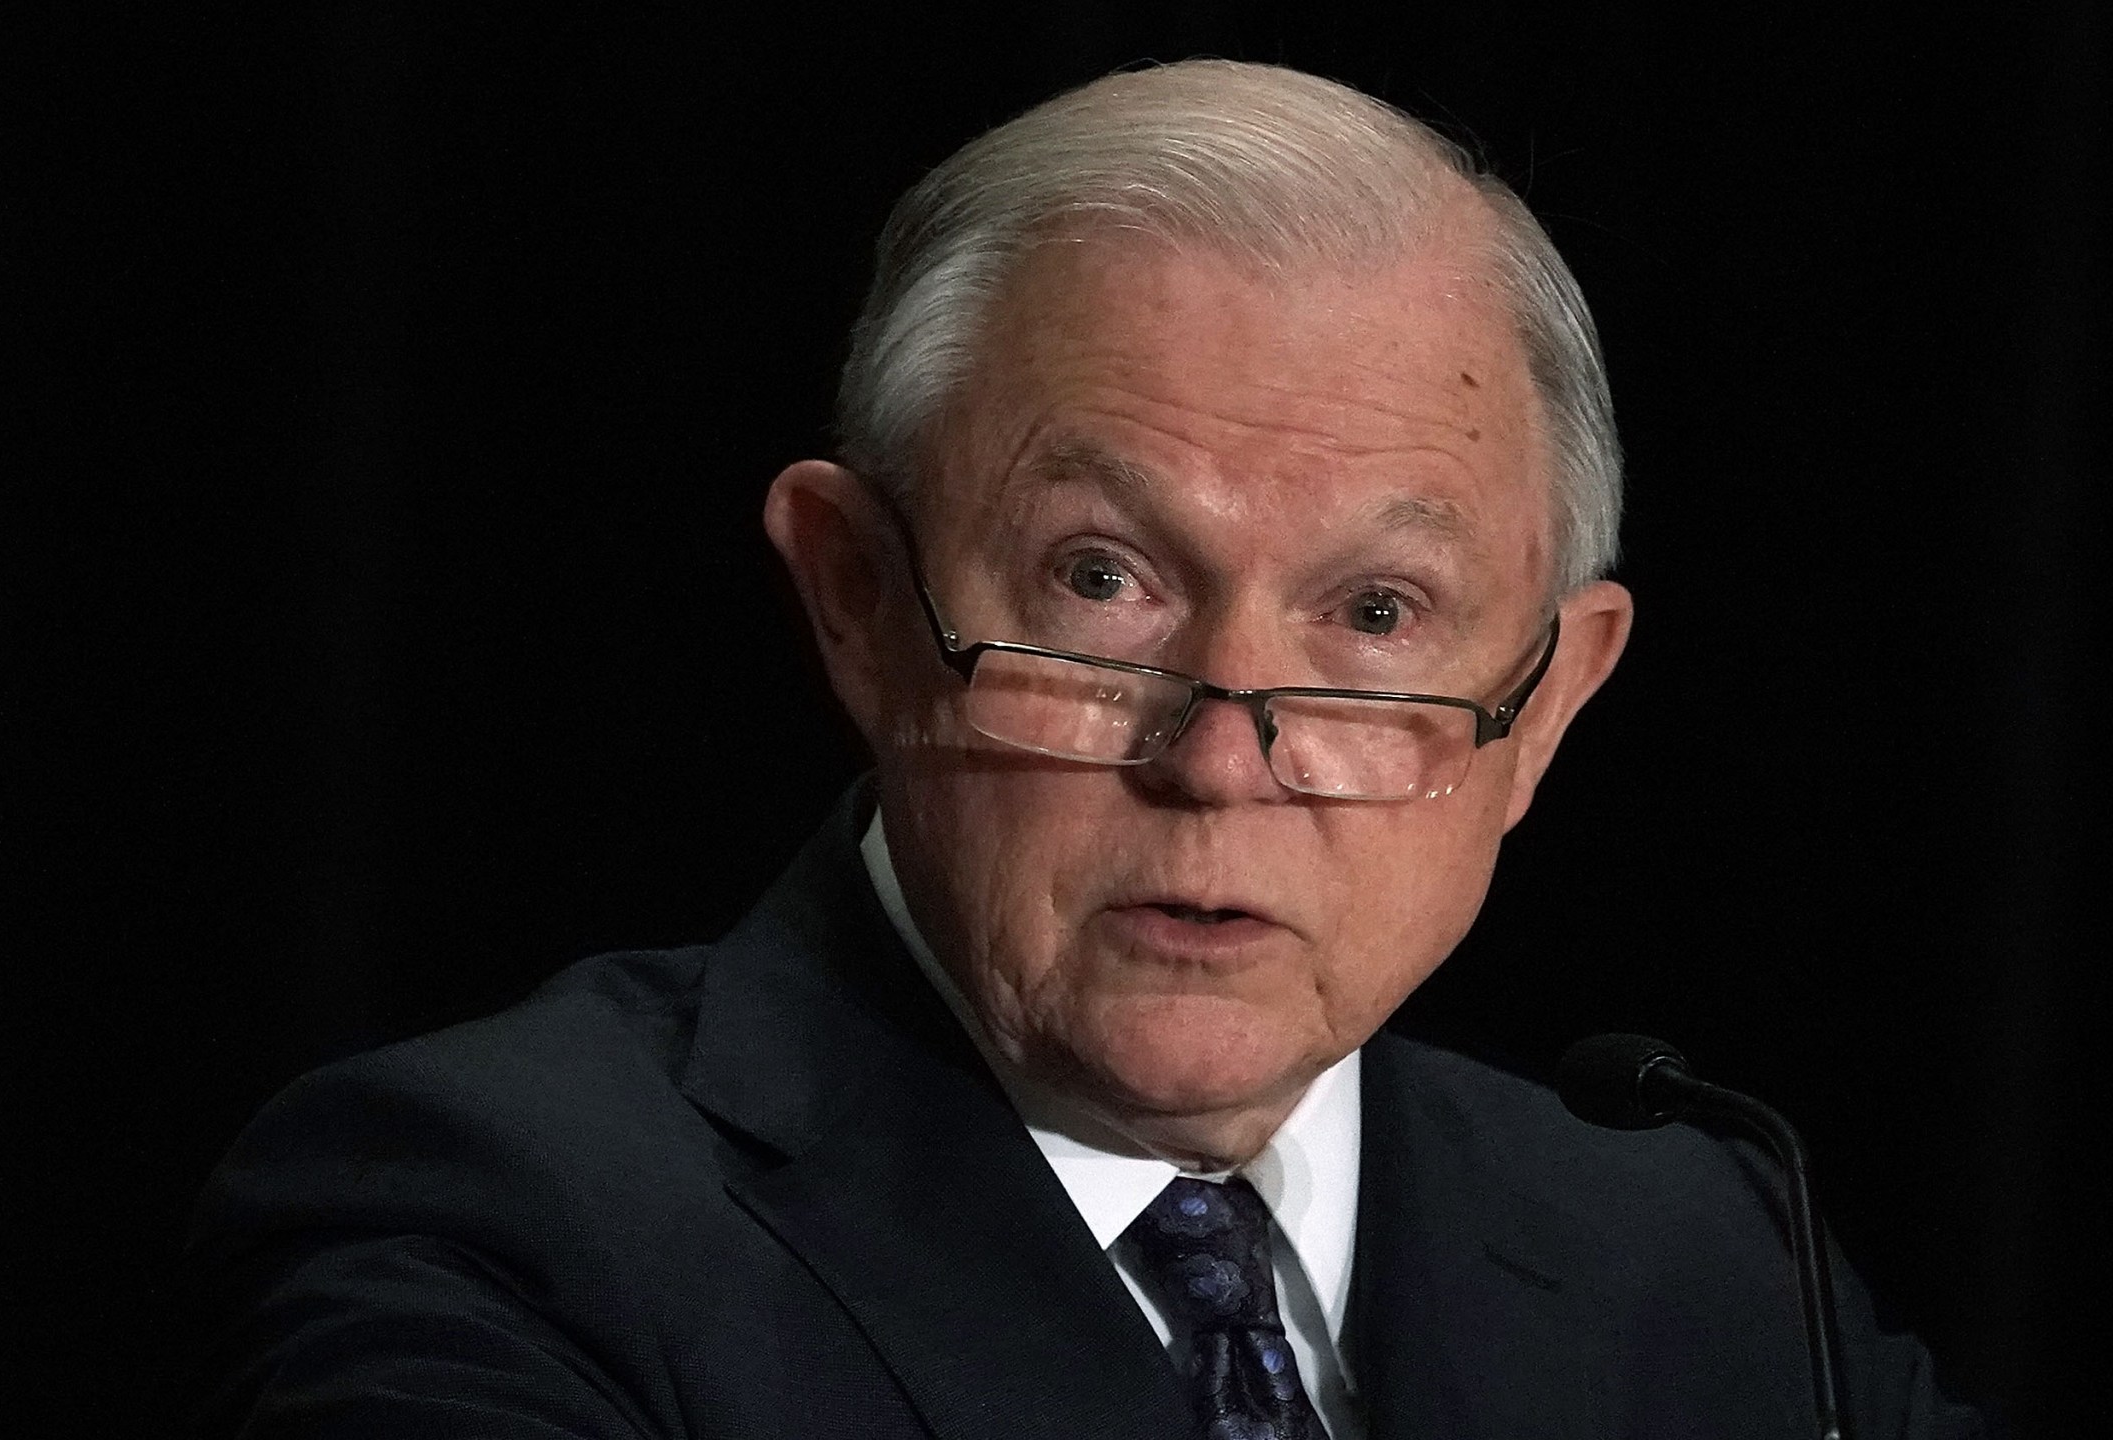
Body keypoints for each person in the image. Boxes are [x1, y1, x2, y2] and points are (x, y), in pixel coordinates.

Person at [186, 60, 1984, 1439]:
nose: (1222, 760)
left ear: (1548, 709)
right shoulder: (490, 1223)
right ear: (861, 603)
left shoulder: (1705, 1265)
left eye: (1375, 619)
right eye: (1103, 581)